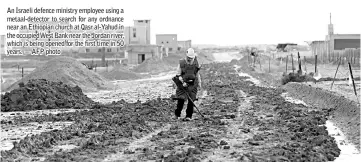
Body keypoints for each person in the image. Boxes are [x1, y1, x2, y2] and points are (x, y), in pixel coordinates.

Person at [173, 48, 202, 121]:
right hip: (183, 84)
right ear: (186, 56)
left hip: (193, 85)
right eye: (188, 58)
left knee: (191, 100)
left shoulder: (196, 63)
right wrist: (183, 82)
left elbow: (197, 74)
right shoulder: (182, 63)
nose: (190, 59)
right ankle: (177, 114)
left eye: (191, 58)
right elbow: (178, 75)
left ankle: (188, 116)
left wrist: (199, 83)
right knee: (181, 99)